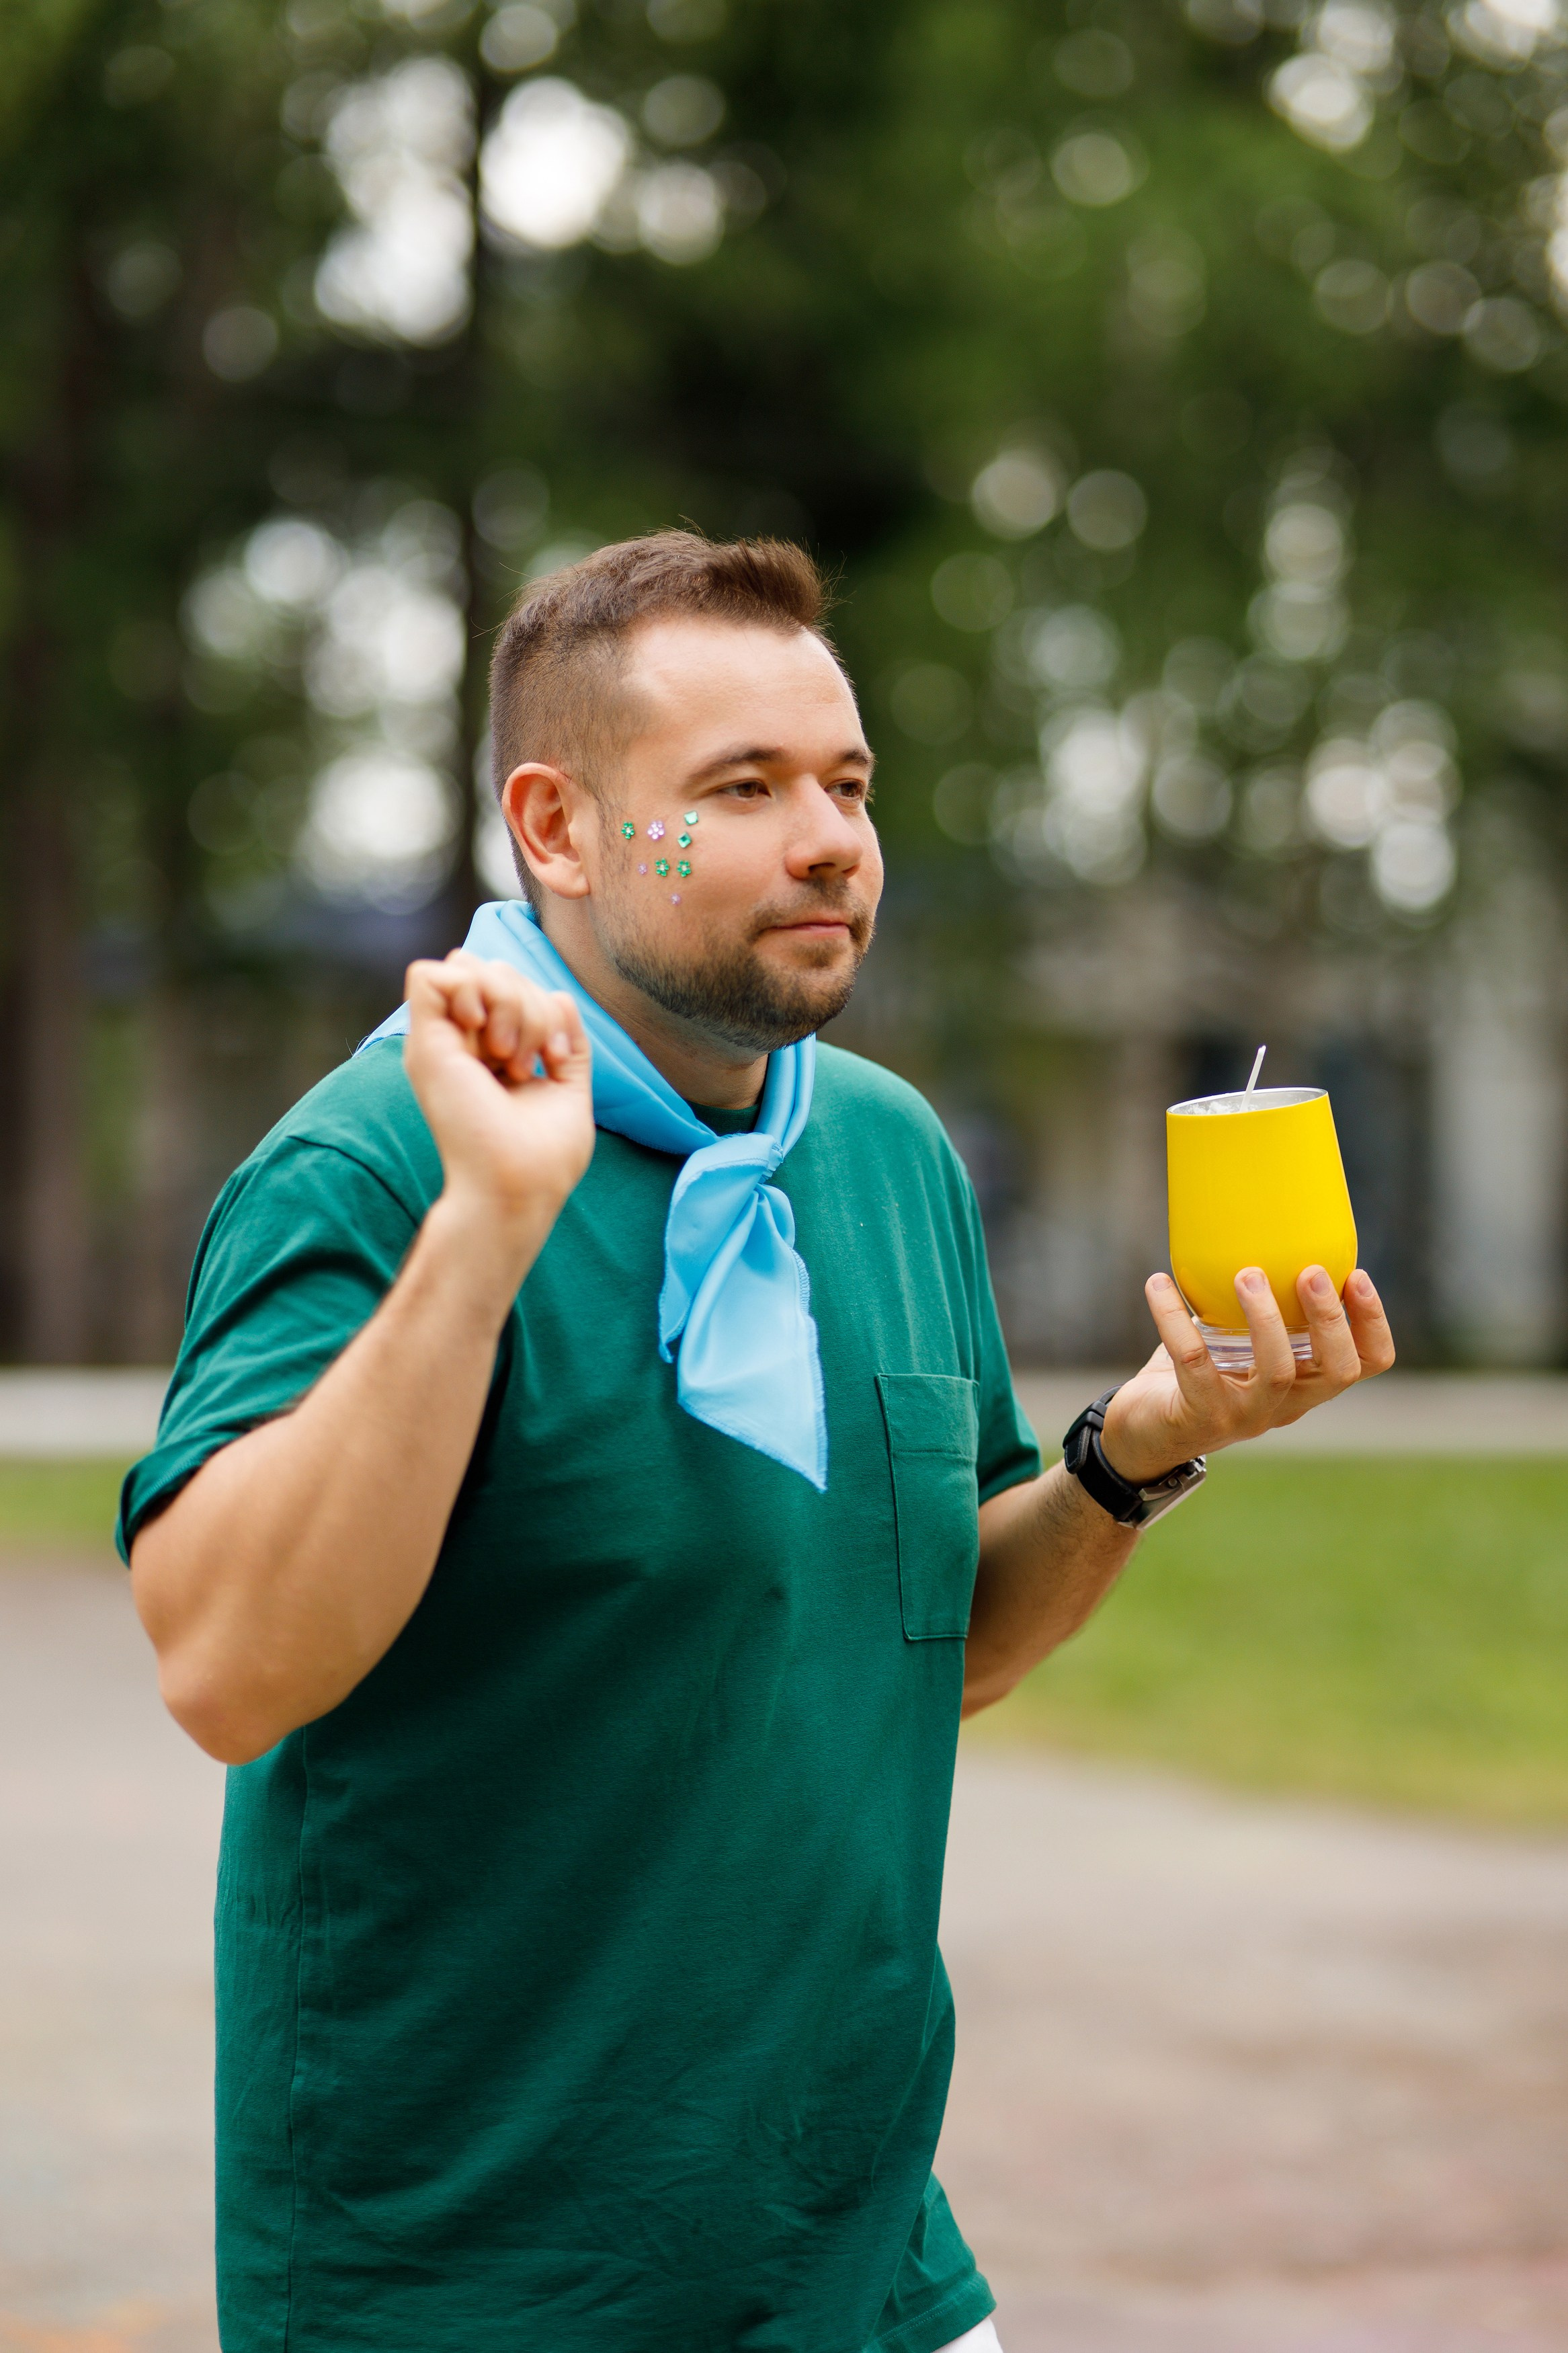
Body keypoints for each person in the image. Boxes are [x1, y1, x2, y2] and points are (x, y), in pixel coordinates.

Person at [122, 532, 1395, 2353]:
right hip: (474, 2294)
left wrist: (1141, 1443)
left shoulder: (880, 1153)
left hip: (867, 2266)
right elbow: (226, 1666)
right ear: (557, 831)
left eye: (849, 785)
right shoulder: (372, 1165)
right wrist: (486, 1237)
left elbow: (928, 1645)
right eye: (741, 789)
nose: (832, 841)